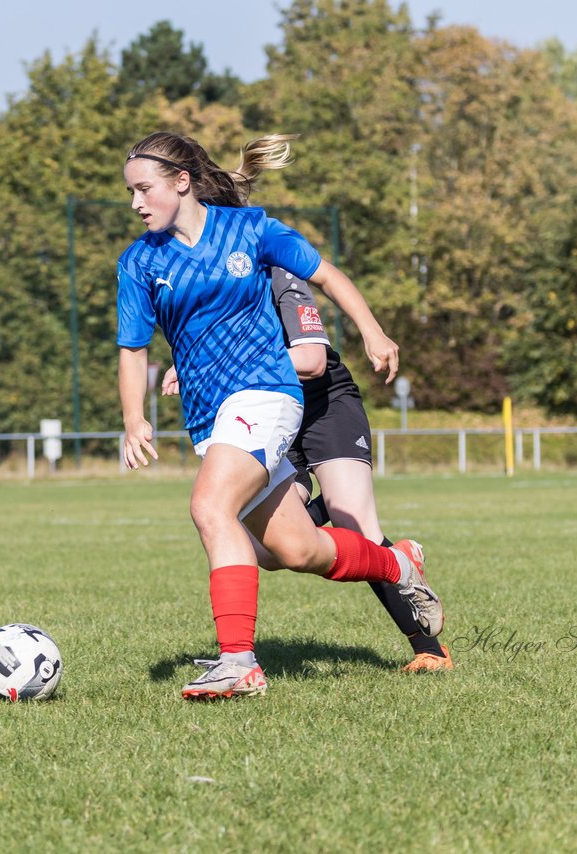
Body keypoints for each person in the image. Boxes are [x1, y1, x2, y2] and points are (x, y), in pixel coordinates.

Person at [118, 131, 442, 701]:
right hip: (211, 417)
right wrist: (133, 418)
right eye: (131, 192)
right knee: (291, 550)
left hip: (268, 395)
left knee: (208, 506)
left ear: (182, 182)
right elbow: (132, 347)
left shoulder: (252, 231)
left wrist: (373, 331)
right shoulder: (139, 263)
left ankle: (239, 662)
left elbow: (327, 275)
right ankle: (396, 563)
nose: (136, 203)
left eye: (145, 189)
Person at [162, 268, 454, 673]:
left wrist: (225, 367)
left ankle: (430, 650)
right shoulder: (205, 282)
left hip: (323, 405)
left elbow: (312, 362)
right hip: (267, 413)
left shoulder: (276, 270)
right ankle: (342, 512)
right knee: (270, 551)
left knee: (359, 529)